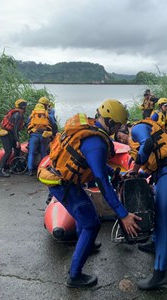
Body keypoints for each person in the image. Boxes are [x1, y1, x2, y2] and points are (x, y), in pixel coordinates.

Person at [38, 99, 141, 288]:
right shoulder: (96, 142)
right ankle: (74, 276)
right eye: (118, 125)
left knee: (85, 215)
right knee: (92, 224)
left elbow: (97, 165)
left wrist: (116, 173)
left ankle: (87, 244)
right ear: (110, 122)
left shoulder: (91, 127)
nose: (119, 129)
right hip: (65, 185)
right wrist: (123, 214)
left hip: (63, 178)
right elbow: (101, 181)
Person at [125, 117, 167, 290]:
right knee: (158, 218)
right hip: (163, 174)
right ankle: (153, 243)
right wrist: (140, 173)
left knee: (161, 222)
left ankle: (160, 274)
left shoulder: (137, 129)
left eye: (122, 136)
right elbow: (155, 158)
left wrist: (135, 168)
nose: (122, 139)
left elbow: (149, 143)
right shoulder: (143, 129)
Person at [26, 99, 57, 176]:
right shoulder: (47, 115)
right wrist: (54, 134)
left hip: (34, 136)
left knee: (31, 153)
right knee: (43, 152)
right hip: (44, 135)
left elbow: (27, 123)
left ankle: (30, 170)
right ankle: (43, 169)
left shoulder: (32, 115)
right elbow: (54, 124)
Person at [0, 99, 27, 177]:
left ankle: (14, 167)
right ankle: (0, 170)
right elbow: (15, 129)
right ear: (23, 107)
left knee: (18, 149)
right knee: (8, 151)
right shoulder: (18, 114)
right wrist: (17, 141)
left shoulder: (16, 113)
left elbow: (15, 127)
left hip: (10, 133)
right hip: (6, 134)